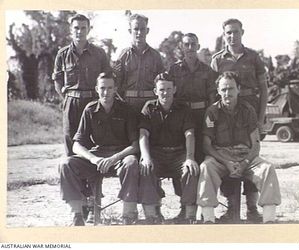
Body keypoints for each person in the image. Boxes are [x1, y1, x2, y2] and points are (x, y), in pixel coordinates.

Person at [196, 71, 281, 224]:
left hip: (245, 156)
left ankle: (269, 220)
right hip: (220, 157)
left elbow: (255, 144)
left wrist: (245, 163)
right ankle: (208, 219)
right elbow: (207, 146)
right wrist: (226, 163)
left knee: (268, 168)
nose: (227, 93)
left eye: (231, 88)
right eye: (223, 89)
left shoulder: (248, 110)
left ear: (238, 89)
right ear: (218, 91)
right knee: (206, 167)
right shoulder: (212, 112)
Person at [59, 72, 140, 226]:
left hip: (120, 156)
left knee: (131, 163)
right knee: (66, 164)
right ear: (96, 89)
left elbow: (134, 146)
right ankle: (77, 215)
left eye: (110, 88)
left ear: (116, 89)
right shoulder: (90, 109)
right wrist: (93, 159)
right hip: (98, 156)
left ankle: (128, 215)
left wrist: (114, 158)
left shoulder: (127, 110)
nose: (106, 92)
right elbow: (77, 144)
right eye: (102, 88)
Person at [210, 18, 269, 221]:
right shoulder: (217, 60)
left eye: (235, 32)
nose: (232, 36)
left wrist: (261, 120)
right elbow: (213, 92)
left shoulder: (253, 57)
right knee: (228, 157)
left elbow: (263, 89)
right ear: (223, 34)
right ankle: (231, 207)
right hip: (226, 116)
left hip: (250, 116)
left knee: (251, 158)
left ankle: (252, 207)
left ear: (242, 32)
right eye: (228, 32)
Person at [167, 33, 218, 220]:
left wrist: (210, 119)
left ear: (198, 46)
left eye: (193, 44)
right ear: (182, 47)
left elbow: (212, 98)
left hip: (200, 116)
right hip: (180, 118)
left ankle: (204, 209)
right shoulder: (174, 70)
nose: (190, 48)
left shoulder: (207, 70)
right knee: (182, 161)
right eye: (186, 44)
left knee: (201, 161)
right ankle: (185, 206)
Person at [138, 73, 199, 224]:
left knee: (190, 169)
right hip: (156, 154)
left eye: (169, 88)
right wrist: (146, 157)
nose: (165, 92)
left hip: (178, 153)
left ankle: (188, 212)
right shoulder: (149, 107)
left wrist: (190, 157)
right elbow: (143, 134)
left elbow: (190, 133)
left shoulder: (183, 108)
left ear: (175, 89)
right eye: (162, 89)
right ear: (155, 91)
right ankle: (152, 214)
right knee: (145, 168)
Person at [52, 14, 111, 156]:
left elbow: (108, 77)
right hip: (71, 102)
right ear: (71, 30)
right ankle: (72, 176)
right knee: (70, 139)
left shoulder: (99, 53)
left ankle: (94, 177)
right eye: (76, 28)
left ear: (89, 29)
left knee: (95, 141)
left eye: (83, 28)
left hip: (93, 101)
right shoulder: (62, 54)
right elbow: (57, 80)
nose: (80, 31)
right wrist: (65, 98)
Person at [113, 13, 164, 112]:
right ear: (130, 31)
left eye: (142, 29)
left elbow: (161, 82)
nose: (139, 33)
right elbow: (117, 81)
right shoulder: (123, 55)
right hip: (128, 103)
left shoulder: (155, 56)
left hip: (150, 103)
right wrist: (122, 100)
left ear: (147, 31)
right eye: (136, 29)